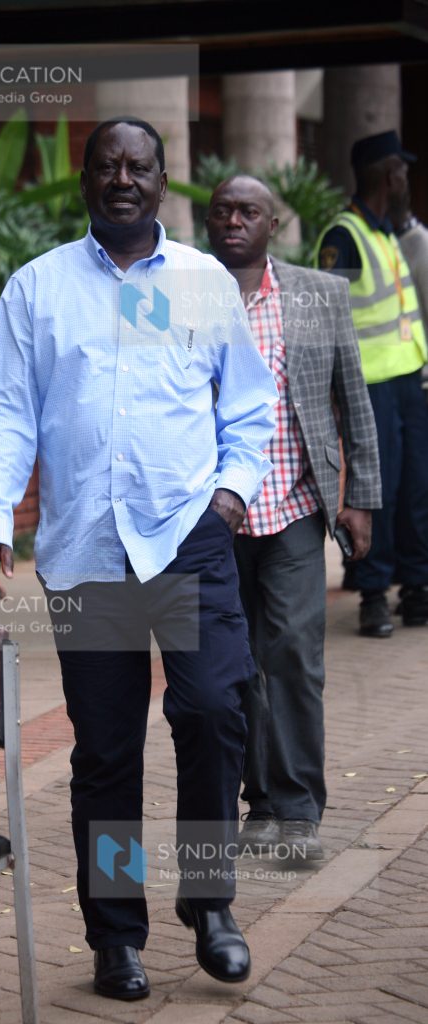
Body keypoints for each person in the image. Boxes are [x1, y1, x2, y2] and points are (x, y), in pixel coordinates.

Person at [0, 118, 278, 1001]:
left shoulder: (202, 282)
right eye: (108, 165)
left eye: (139, 166)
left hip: (185, 539)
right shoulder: (39, 289)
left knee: (213, 711)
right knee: (105, 754)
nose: (123, 179)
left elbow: (247, 407)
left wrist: (228, 496)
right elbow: (4, 411)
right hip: (87, 555)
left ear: (162, 179)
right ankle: (114, 936)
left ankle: (210, 905)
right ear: (87, 181)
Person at [207, 175, 381, 861]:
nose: (232, 221)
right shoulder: (186, 298)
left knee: (294, 657)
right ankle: (261, 807)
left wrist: (359, 499)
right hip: (216, 516)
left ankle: (300, 808)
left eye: (247, 211)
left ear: (272, 223)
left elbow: (352, 402)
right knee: (237, 664)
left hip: (294, 506)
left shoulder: (313, 296)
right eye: (221, 211)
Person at [316, 130, 428, 637]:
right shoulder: (344, 238)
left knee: (415, 489)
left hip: (409, 382)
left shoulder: (386, 233)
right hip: (369, 388)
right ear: (389, 175)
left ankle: (416, 586)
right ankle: (372, 594)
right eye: (402, 171)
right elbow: (325, 322)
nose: (407, 178)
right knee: (374, 492)